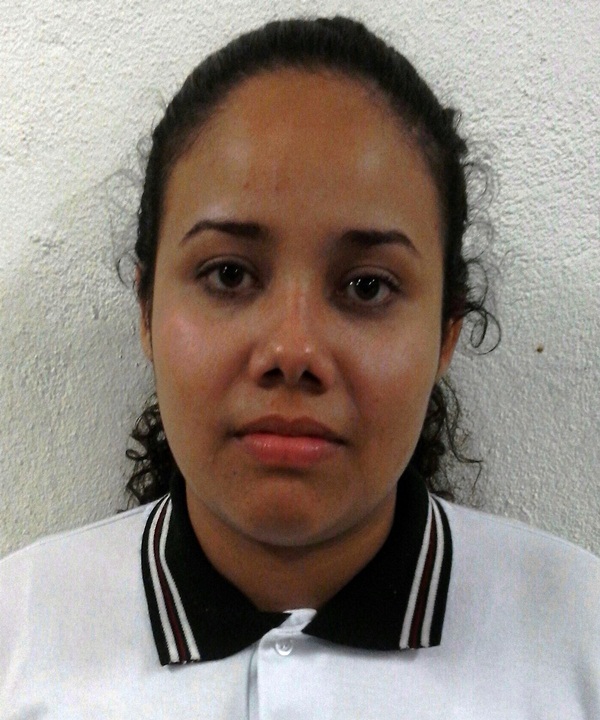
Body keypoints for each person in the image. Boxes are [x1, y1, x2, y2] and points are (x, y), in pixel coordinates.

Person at [0, 16, 598, 718]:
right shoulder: (20, 638)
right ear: (147, 311)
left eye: (367, 287)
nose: (292, 352)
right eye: (228, 275)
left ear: (446, 333)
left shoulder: (578, 643)